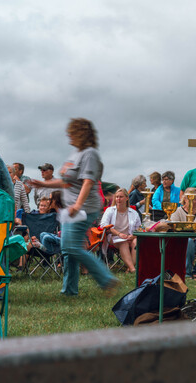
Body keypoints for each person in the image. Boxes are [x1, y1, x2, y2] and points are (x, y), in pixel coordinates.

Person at [29, 118, 119, 297]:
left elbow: (88, 181)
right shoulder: (74, 155)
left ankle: (105, 278)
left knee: (70, 247)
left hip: (85, 207)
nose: (68, 135)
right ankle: (69, 290)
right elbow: (65, 182)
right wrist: (43, 184)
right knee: (68, 247)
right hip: (70, 210)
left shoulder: (90, 154)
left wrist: (78, 205)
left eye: (72, 132)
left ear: (82, 134)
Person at [100, 188, 141, 273]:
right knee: (123, 242)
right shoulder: (110, 210)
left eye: (121, 197)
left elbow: (139, 228)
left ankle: (130, 268)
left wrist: (133, 236)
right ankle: (133, 269)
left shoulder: (134, 213)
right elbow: (104, 225)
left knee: (136, 241)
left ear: (126, 198)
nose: (118, 199)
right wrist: (119, 234)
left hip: (130, 237)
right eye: (117, 197)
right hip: (114, 237)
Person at [171, 187, 196, 279]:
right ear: (185, 199)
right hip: (181, 237)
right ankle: (188, 272)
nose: (194, 202)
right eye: (192, 199)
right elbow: (173, 226)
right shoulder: (178, 211)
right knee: (189, 242)